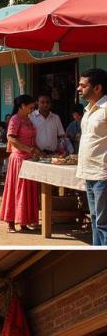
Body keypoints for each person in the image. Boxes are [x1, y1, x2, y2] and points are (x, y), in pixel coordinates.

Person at [0, 94, 40, 233]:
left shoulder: (28, 119)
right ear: (22, 106)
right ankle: (11, 223)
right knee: (16, 190)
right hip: (18, 160)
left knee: (28, 191)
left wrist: (37, 150)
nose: (32, 109)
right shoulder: (15, 119)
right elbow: (11, 138)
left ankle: (24, 221)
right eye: (30, 107)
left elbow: (32, 139)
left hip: (30, 159)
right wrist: (29, 149)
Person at [76, 68, 107, 246]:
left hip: (103, 173)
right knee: (95, 220)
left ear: (97, 88)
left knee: (103, 223)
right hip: (89, 172)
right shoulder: (88, 110)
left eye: (83, 85)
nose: (79, 89)